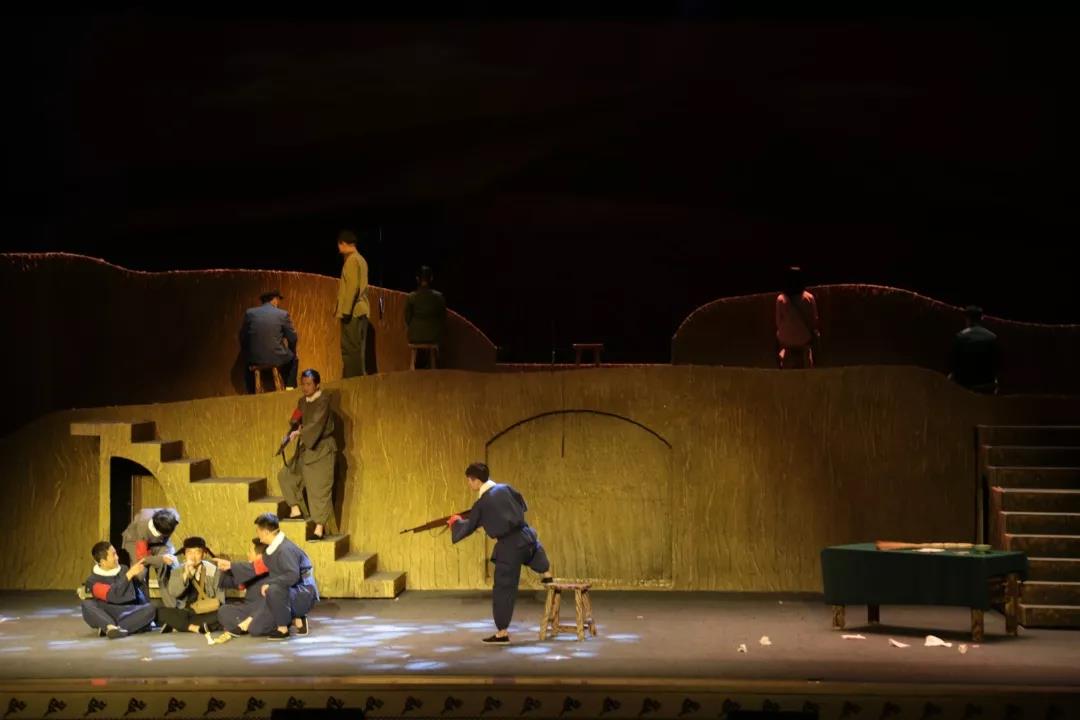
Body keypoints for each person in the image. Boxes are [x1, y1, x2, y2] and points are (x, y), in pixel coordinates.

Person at [448, 462, 553, 644]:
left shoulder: (482, 503)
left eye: (469, 481)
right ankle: (547, 574)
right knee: (534, 550)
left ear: (476, 481)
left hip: (509, 547)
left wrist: (455, 522)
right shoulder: (506, 488)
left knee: (504, 588)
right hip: (526, 535)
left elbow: (470, 525)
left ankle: (502, 632)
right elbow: (521, 506)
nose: (469, 484)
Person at [214, 513, 317, 639]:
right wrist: (231, 565)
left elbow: (292, 575)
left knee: (273, 590)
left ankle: (285, 626)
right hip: (280, 595)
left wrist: (271, 583)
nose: (257, 534)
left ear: (266, 532)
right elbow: (255, 567)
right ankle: (281, 619)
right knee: (247, 624)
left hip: (301, 593)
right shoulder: (272, 550)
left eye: (258, 530)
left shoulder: (285, 549)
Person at [278, 369, 337, 540]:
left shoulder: (323, 401)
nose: (305, 387)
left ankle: (319, 528)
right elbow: (296, 418)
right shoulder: (302, 401)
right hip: (306, 449)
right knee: (286, 475)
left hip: (321, 449)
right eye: (303, 384)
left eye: (309, 384)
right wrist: (290, 433)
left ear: (317, 385)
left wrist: (301, 432)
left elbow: (316, 423)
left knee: (318, 488)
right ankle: (296, 510)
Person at [80, 541, 156, 639]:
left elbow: (138, 594)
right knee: (87, 604)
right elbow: (113, 595)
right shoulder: (93, 581)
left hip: (128, 611)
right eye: (113, 555)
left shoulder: (124, 569)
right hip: (107, 612)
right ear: (103, 562)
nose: (117, 557)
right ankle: (111, 626)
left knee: (151, 608)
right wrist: (129, 575)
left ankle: (112, 628)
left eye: (116, 553)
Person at [157, 537, 224, 635]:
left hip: (206, 611)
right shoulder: (177, 571)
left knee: (223, 614)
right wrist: (185, 575)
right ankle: (195, 628)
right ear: (184, 554)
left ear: (204, 554)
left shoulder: (213, 571)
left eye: (197, 552)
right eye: (189, 552)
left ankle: (178, 625)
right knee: (160, 612)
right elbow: (173, 592)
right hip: (184, 611)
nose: (193, 557)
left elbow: (220, 599)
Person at [210, 538, 272, 643]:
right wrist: (225, 570)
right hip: (248, 609)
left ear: (259, 556)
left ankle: (248, 625)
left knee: (260, 619)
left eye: (250, 552)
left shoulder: (273, 569)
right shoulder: (248, 570)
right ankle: (246, 625)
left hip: (264, 610)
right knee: (224, 611)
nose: (248, 554)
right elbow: (231, 583)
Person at [239, 289, 299, 392]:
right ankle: (290, 388)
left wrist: (248, 351)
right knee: (294, 359)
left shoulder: (250, 313)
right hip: (276, 357)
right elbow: (293, 338)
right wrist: (292, 351)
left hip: (254, 358)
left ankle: (251, 392)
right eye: (278, 300)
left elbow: (242, 336)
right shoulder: (282, 314)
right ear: (275, 300)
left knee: (247, 364)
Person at [120, 508, 180, 607]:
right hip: (135, 541)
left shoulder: (173, 517)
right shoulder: (142, 527)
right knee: (140, 572)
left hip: (160, 543)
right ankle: (144, 607)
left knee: (168, 567)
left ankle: (173, 607)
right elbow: (142, 559)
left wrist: (167, 559)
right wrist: (161, 558)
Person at [336, 230, 370, 378]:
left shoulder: (351, 261)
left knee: (350, 348)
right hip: (361, 310)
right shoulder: (361, 260)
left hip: (353, 311)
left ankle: (352, 381)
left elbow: (352, 288)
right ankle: (357, 380)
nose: (338, 249)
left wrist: (345, 311)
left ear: (343, 243)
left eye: (339, 245)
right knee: (357, 348)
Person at [774, 266, 820, 369]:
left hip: (786, 340)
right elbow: (814, 322)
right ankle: (813, 362)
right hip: (805, 339)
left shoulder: (780, 299)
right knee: (816, 335)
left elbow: (778, 323)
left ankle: (779, 362)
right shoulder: (809, 297)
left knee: (777, 336)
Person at [949, 305, 999, 394]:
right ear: (981, 318)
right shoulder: (992, 337)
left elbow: (953, 362)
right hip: (986, 385)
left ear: (967, 318)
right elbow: (997, 363)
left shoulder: (960, 336)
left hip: (964, 386)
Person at [404, 265, 447, 368]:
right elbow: (442, 318)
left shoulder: (411, 297)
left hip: (415, 336)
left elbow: (407, 318)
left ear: (417, 279)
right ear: (431, 278)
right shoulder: (439, 297)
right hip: (433, 336)